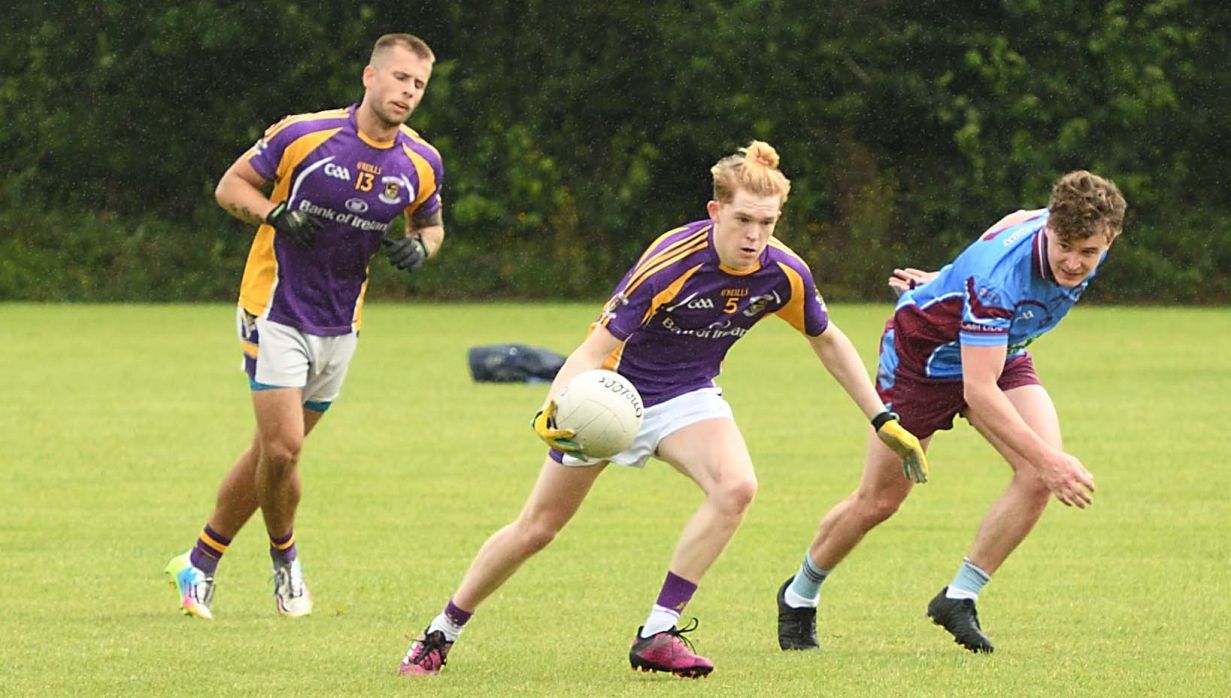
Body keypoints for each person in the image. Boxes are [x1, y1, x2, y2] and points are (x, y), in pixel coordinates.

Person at [398, 141, 928, 678]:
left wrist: (882, 419)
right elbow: (592, 349)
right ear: (715, 212)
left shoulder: (783, 274)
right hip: (610, 398)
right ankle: (441, 631)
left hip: (686, 396)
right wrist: (555, 408)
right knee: (537, 528)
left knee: (736, 487)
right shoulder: (671, 262)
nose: (755, 235)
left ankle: (658, 631)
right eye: (743, 219)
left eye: (767, 223)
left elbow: (828, 339)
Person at [775, 170, 1127, 653]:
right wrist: (1051, 462)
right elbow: (978, 391)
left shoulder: (1063, 229)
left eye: (1089, 252)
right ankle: (799, 594)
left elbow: (993, 239)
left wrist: (943, 280)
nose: (1073, 262)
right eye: (1065, 246)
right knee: (880, 501)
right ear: (1049, 229)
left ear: (1110, 239)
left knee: (1038, 474)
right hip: (921, 361)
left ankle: (958, 597)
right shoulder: (999, 282)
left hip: (998, 348)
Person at [165, 33, 446, 620]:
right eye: (399, 78)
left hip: (341, 324)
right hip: (274, 308)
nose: (407, 92)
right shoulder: (304, 134)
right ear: (369, 77)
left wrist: (422, 249)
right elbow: (230, 186)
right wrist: (275, 214)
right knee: (284, 447)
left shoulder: (421, 161)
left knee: (275, 456)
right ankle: (285, 560)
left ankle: (199, 560)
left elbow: (430, 225)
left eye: (418, 85)